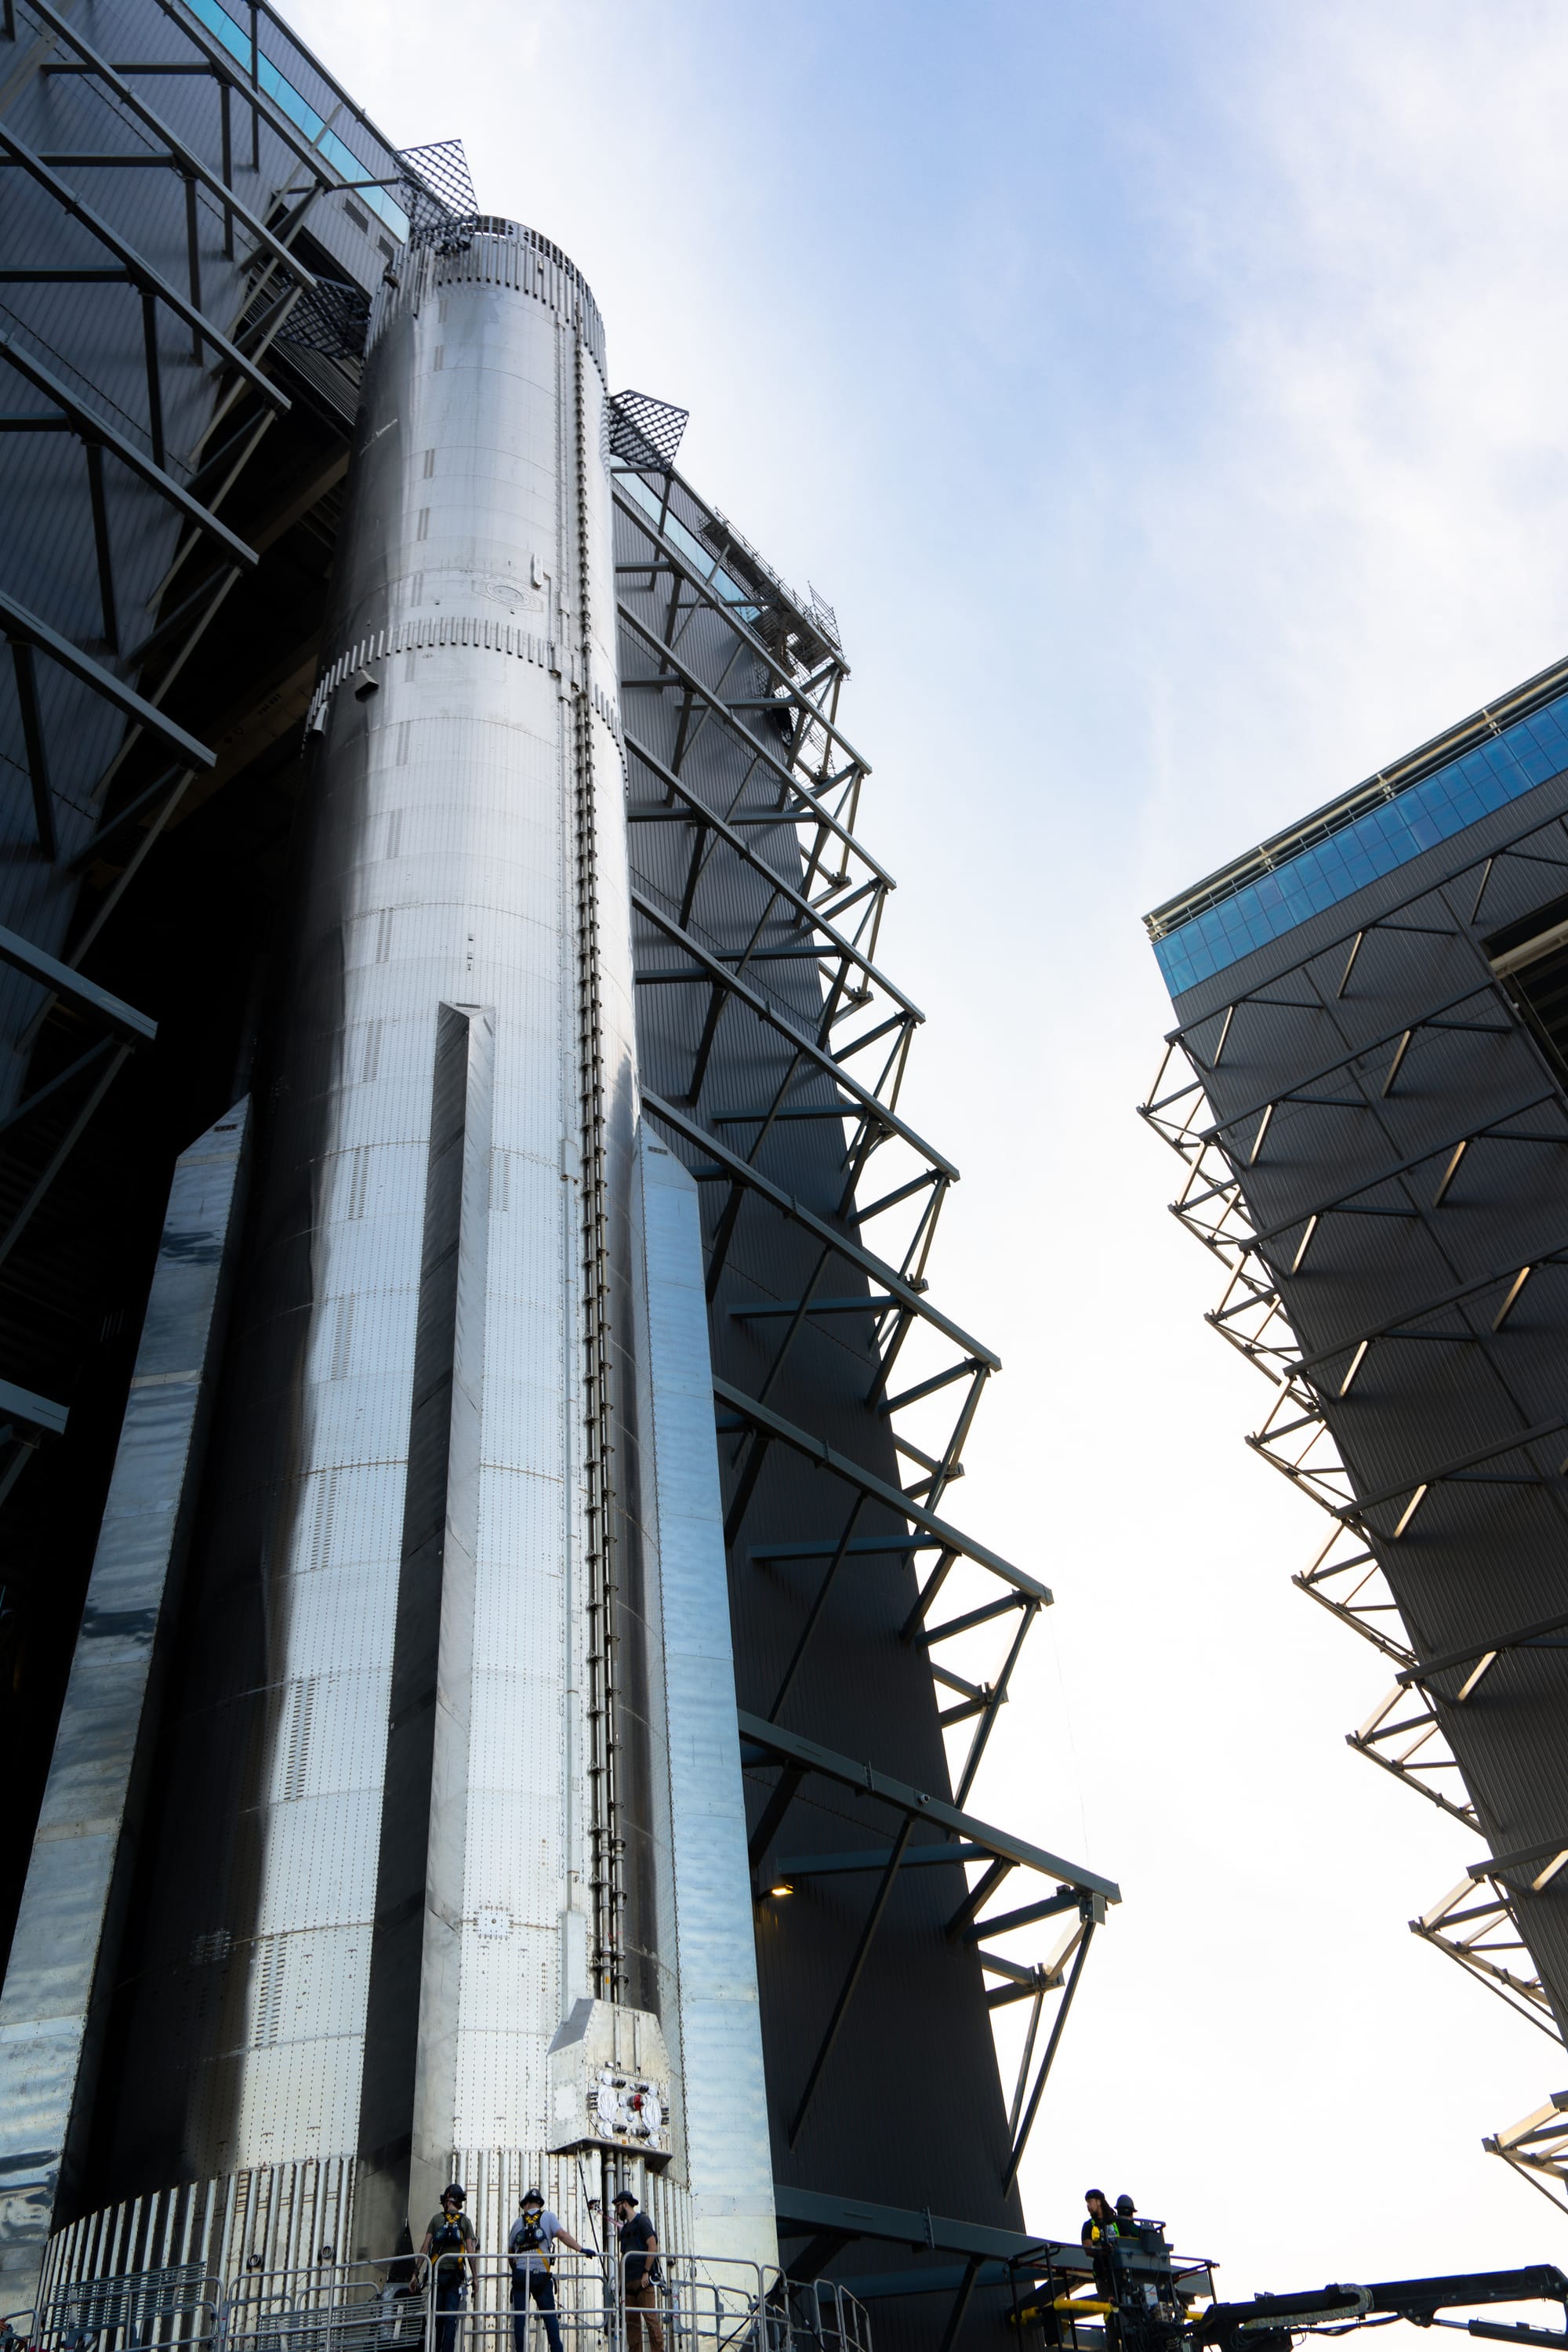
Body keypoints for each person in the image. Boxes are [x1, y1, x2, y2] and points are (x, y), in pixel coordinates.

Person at [508, 2187, 581, 2352]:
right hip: (541, 2275)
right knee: (550, 2318)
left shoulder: (517, 2223)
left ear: (526, 2205)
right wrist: (582, 2249)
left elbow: (510, 2254)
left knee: (520, 2319)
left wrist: (517, 2270)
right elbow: (562, 2235)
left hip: (520, 2274)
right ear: (539, 2204)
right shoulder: (548, 2217)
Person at [420, 2183, 478, 2352]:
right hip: (455, 2276)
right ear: (459, 2202)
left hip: (436, 2276)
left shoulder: (436, 2220)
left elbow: (425, 2248)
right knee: (450, 2319)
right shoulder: (465, 2222)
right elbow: (470, 2252)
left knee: (435, 2319)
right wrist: (475, 2277)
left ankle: (433, 2348)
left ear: (446, 2201)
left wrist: (415, 2274)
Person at [612, 2190, 662, 2352]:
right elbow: (623, 2257)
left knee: (650, 2319)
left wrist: (646, 2272)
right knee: (631, 2323)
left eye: (618, 2206)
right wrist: (621, 2283)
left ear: (624, 2204)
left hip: (643, 2281)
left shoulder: (642, 2221)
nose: (617, 2210)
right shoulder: (625, 2230)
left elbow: (652, 2245)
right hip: (629, 2283)